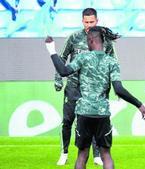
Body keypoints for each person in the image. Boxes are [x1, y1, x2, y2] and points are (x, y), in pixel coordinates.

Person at [45, 26, 145, 169]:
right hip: (102, 114)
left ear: (91, 40)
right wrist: (139, 105)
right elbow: (119, 89)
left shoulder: (82, 58)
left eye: (88, 41)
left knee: (82, 154)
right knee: (106, 154)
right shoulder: (111, 62)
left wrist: (51, 50)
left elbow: (63, 71)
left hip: (84, 113)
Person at [54, 8, 119, 165]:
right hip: (74, 86)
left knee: (94, 119)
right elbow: (62, 58)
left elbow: (113, 61)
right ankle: (64, 152)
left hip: (96, 89)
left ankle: (97, 155)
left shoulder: (104, 40)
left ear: (97, 20)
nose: (89, 24)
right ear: (82, 21)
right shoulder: (74, 37)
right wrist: (58, 79)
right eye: (86, 22)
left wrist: (115, 86)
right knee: (68, 119)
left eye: (92, 21)